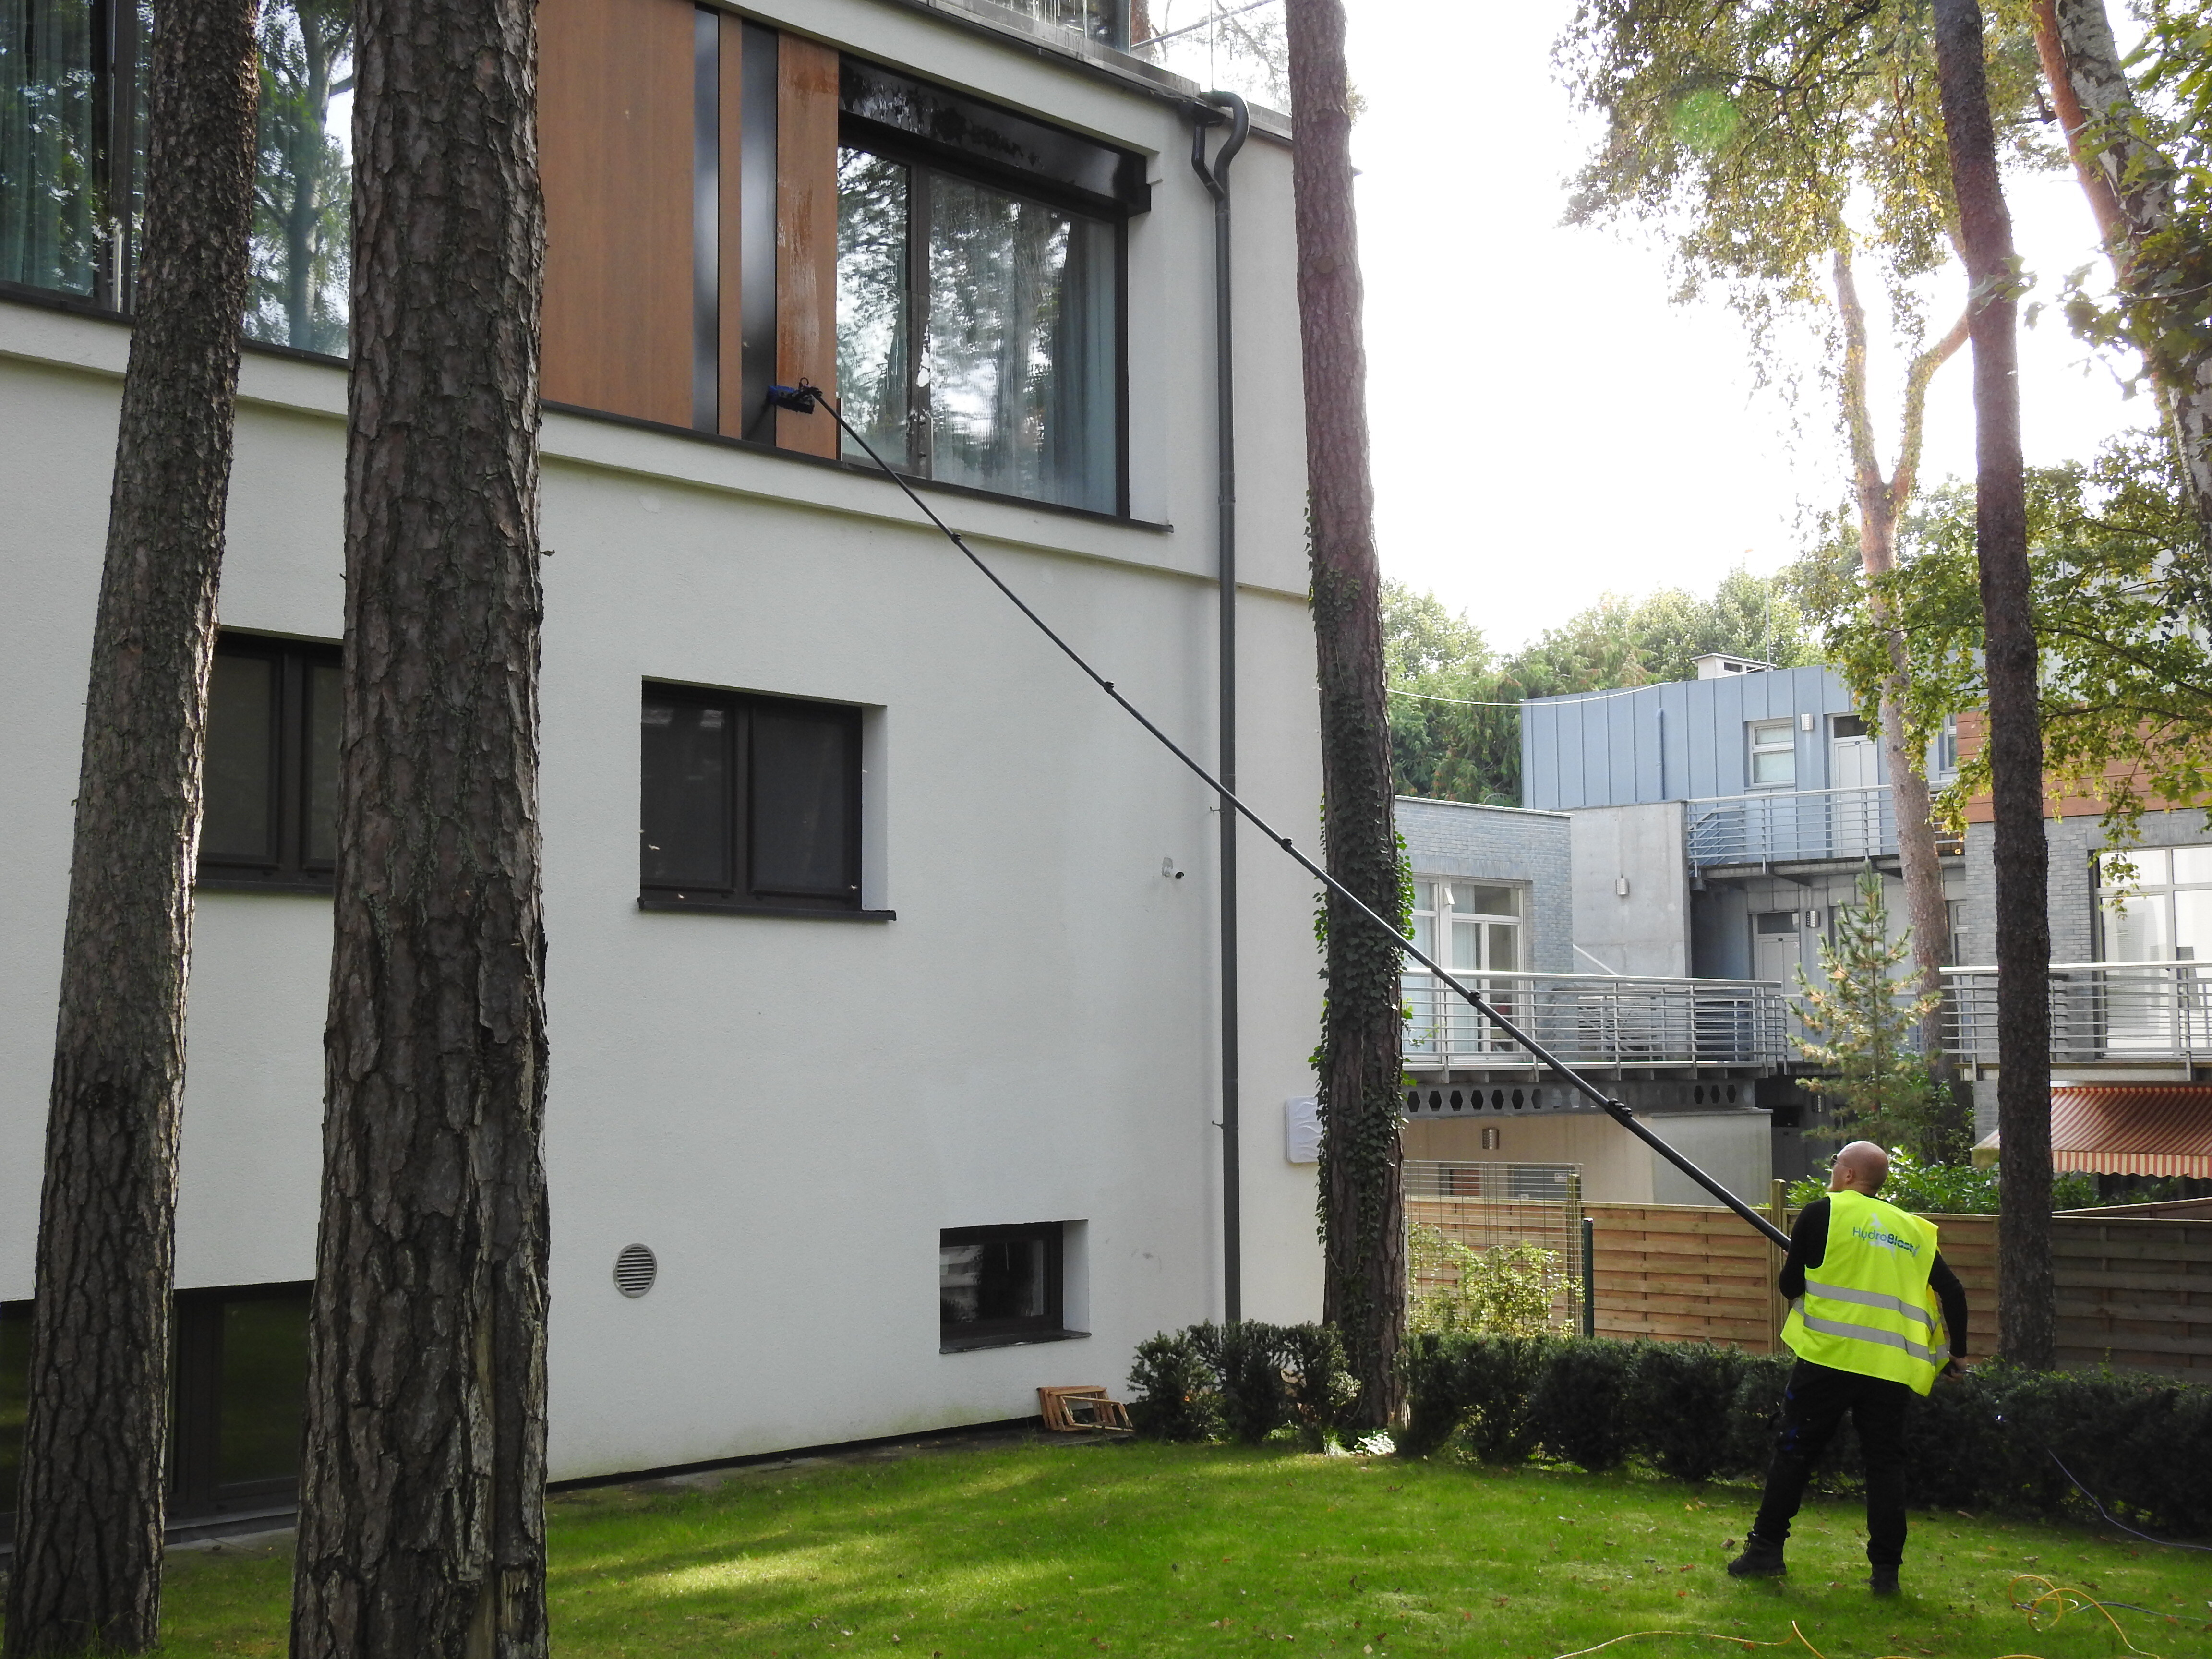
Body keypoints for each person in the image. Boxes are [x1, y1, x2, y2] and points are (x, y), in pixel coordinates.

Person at [1727, 1141, 1970, 1595]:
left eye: (1836, 1161)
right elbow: (1953, 1291)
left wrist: (1799, 1265)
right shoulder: (1912, 1229)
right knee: (1884, 1465)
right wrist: (1958, 1353)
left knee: (1794, 1452)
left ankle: (1765, 1552)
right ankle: (1886, 1574)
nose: (1833, 1167)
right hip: (1888, 1370)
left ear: (1850, 1174)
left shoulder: (1822, 1213)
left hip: (1828, 1360)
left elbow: (1790, 1288)